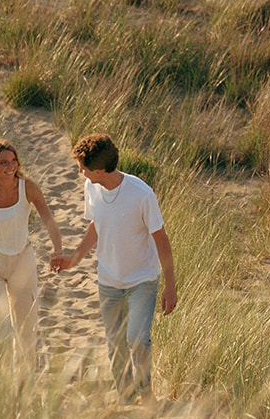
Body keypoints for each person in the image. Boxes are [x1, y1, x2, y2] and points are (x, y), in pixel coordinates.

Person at [50, 133, 177, 400]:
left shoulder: (141, 194)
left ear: (98, 170)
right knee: (116, 344)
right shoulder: (91, 188)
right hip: (108, 281)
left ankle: (145, 392)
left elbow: (161, 240)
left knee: (137, 339)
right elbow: (96, 225)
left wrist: (170, 286)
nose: (79, 171)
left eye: (83, 167)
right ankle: (126, 397)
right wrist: (75, 258)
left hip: (142, 280)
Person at [0, 138, 64, 374]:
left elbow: (48, 219)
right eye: (3, 162)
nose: (10, 166)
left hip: (22, 262)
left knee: (27, 331)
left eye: (14, 161)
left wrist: (58, 250)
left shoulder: (27, 187)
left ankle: (24, 383)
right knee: (1, 330)